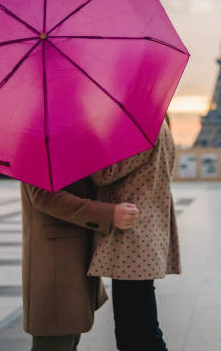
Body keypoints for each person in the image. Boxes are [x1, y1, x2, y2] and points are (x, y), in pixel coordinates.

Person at [88, 115, 180, 351]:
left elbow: (104, 173)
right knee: (132, 332)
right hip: (144, 235)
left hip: (133, 241)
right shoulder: (159, 121)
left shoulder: (140, 125)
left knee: (140, 333)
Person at [20, 178, 139, 351]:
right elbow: (44, 196)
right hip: (56, 261)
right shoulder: (38, 150)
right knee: (55, 339)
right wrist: (108, 214)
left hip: (69, 257)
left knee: (68, 337)